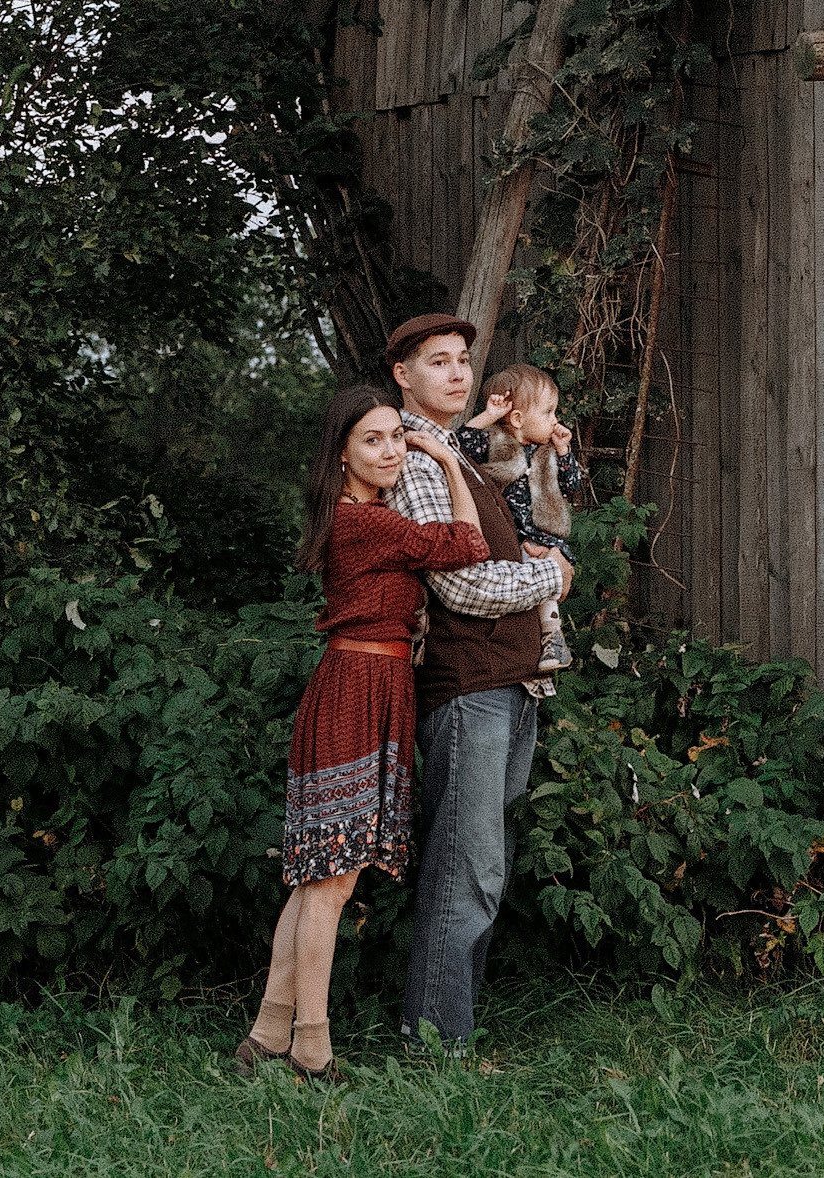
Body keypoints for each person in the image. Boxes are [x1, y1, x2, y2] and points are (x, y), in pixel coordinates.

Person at [237, 386, 491, 1083]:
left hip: (369, 686)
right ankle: (312, 1048)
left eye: (396, 437)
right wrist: (447, 460)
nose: (391, 450)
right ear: (342, 454)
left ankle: (266, 1032)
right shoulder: (364, 523)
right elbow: (467, 544)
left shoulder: (366, 518)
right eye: (372, 440)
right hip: (356, 689)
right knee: (331, 882)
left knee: (316, 878)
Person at [380, 314, 574, 1054]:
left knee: (482, 863)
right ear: (403, 375)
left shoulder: (459, 452)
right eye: (439, 361)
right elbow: (461, 586)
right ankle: (434, 1041)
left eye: (464, 359)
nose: (459, 373)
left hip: (509, 683)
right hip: (467, 687)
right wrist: (551, 576)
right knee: (467, 865)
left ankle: (446, 1028)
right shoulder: (415, 460)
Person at [451, 362, 583, 673]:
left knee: (543, 570)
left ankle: (553, 637)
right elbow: (460, 445)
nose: (555, 421)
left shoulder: (548, 453)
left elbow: (571, 485)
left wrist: (564, 451)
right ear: (518, 419)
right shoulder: (494, 442)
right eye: (548, 412)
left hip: (543, 535)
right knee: (518, 583)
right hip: (504, 535)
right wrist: (489, 416)